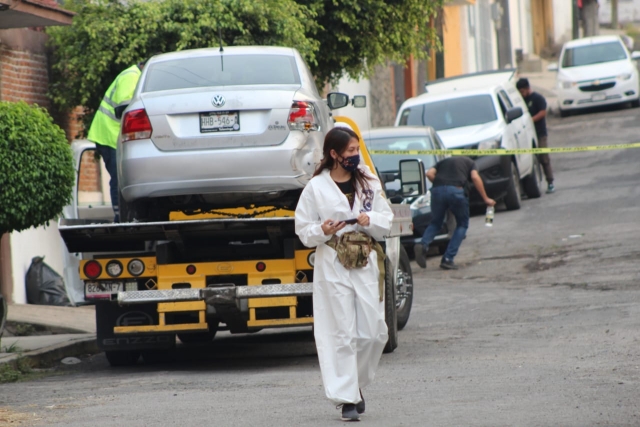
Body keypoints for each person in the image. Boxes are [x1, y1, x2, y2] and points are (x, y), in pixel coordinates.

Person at [295, 127, 393, 422]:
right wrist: (321, 231)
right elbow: (303, 229)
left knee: (373, 332)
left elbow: (386, 220)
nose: (355, 155)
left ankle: (355, 383)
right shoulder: (316, 188)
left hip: (364, 260)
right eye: (349, 151)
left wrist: (370, 219)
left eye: (356, 149)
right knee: (340, 332)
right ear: (334, 155)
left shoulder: (368, 182)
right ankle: (346, 397)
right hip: (333, 262)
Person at [87, 61, 145, 222]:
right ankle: (120, 217)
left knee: (123, 178)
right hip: (109, 135)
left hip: (112, 134)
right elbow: (124, 107)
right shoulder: (132, 77)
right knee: (118, 178)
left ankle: (126, 215)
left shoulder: (134, 75)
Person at [414, 157, 496, 270]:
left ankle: (423, 244)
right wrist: (486, 198)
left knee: (436, 222)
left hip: (437, 191)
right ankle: (448, 258)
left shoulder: (443, 162)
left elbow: (429, 174)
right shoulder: (471, 163)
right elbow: (474, 177)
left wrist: (442, 185)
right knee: (462, 225)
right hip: (456, 191)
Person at [516, 77, 555, 194]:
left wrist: (530, 120)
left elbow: (542, 112)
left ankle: (550, 181)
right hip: (526, 135)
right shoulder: (521, 102)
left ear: (527, 89)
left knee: (544, 158)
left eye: (522, 91)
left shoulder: (538, 98)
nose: (521, 94)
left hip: (539, 133)